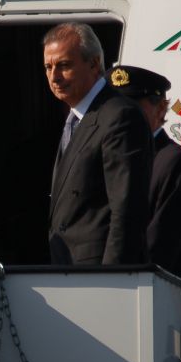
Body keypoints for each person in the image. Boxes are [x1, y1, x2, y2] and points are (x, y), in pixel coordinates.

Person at [44, 22, 152, 265]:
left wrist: (111, 282)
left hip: (98, 278)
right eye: (48, 67)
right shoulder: (77, 119)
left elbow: (126, 212)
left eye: (63, 65)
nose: (54, 77)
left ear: (94, 64)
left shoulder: (119, 116)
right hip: (70, 270)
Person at [107, 65, 181, 283]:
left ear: (161, 109)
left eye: (132, 108)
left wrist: (109, 281)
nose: (120, 115)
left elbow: (158, 250)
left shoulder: (173, 162)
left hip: (148, 298)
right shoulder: (107, 158)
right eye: (114, 107)